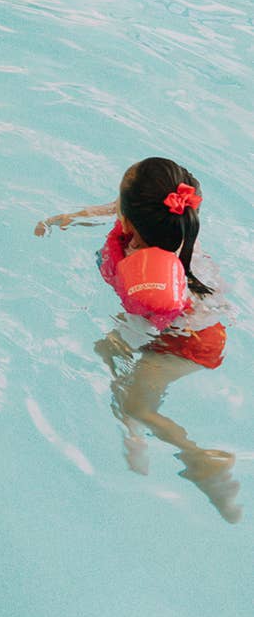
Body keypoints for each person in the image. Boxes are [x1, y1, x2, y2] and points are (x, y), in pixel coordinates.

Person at [36, 157, 238, 522]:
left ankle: (198, 458)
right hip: (197, 320)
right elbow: (114, 209)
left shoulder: (148, 280)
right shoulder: (168, 224)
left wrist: (117, 344)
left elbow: (144, 327)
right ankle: (134, 434)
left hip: (188, 341)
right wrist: (66, 218)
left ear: (128, 222)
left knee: (133, 402)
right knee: (116, 371)